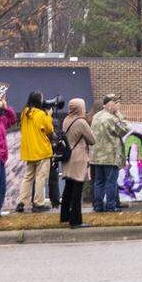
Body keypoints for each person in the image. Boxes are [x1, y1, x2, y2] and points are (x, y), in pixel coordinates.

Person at [90, 94, 130, 213]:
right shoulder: (112, 118)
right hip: (110, 156)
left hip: (96, 156)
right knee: (111, 181)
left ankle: (98, 205)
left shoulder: (96, 116)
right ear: (110, 104)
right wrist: (119, 114)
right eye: (116, 103)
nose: (118, 106)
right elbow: (125, 129)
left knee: (99, 181)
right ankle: (111, 206)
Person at [59, 98, 96, 229]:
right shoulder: (81, 122)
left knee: (68, 188)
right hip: (79, 158)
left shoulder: (66, 120)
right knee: (77, 189)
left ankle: (64, 216)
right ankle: (76, 220)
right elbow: (92, 140)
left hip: (68, 156)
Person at [17, 91, 55, 213]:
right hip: (41, 150)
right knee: (40, 177)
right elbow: (49, 129)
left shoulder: (24, 113)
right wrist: (49, 115)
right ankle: (38, 203)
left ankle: (22, 202)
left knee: (28, 177)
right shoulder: (41, 115)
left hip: (29, 151)